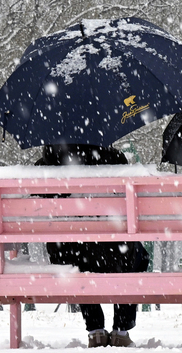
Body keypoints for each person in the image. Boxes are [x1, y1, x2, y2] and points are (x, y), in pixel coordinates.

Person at [36, 143, 150, 348]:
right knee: (139, 256)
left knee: (79, 263)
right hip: (114, 254)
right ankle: (121, 330)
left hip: (68, 253)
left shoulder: (47, 163)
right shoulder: (115, 159)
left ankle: (95, 329)